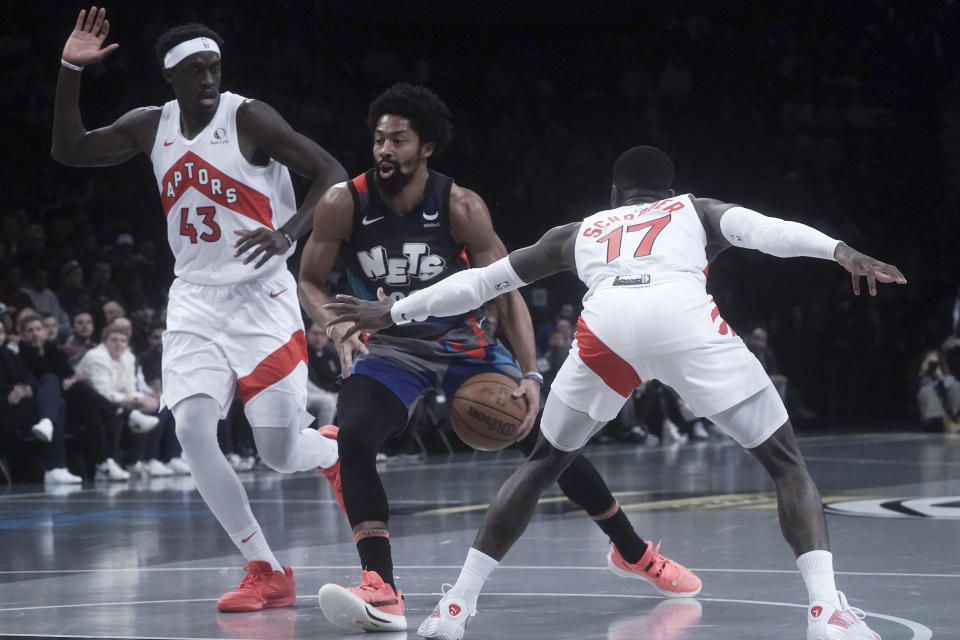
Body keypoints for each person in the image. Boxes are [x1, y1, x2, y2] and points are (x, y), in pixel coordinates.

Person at [325, 145, 906, 640]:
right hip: (682, 324)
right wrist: (839, 250)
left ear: (614, 191)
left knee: (544, 463)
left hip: (605, 335)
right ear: (666, 188)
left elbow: (483, 281)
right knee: (786, 464)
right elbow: (765, 231)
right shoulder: (693, 209)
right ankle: (827, 610)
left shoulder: (579, 231)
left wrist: (392, 310)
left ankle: (456, 608)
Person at [299, 86, 698, 633]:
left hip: (464, 343)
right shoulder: (344, 201)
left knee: (550, 443)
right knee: (354, 433)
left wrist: (531, 374)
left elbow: (509, 289)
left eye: (398, 139)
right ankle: (381, 588)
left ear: (427, 148)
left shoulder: (460, 205)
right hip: (392, 347)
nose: (384, 149)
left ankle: (632, 551)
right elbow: (310, 279)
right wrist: (332, 322)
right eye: (378, 139)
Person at [52, 7, 346, 611]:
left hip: (262, 299)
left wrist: (289, 233)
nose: (209, 79)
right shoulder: (148, 126)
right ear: (173, 78)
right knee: (190, 429)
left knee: (279, 452)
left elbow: (332, 174)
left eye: (214, 68)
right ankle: (264, 567)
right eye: (196, 71)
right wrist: (68, 71)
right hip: (193, 301)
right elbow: (70, 150)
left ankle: (331, 451)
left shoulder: (250, 117)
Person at [0, 316, 82, 484]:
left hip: (19, 405)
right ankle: (55, 467)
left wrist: (25, 387)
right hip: (4, 411)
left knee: (50, 380)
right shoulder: (14, 353)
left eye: (0, 332)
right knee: (57, 404)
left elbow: (29, 378)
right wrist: (8, 397)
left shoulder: (7, 354)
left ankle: (46, 423)